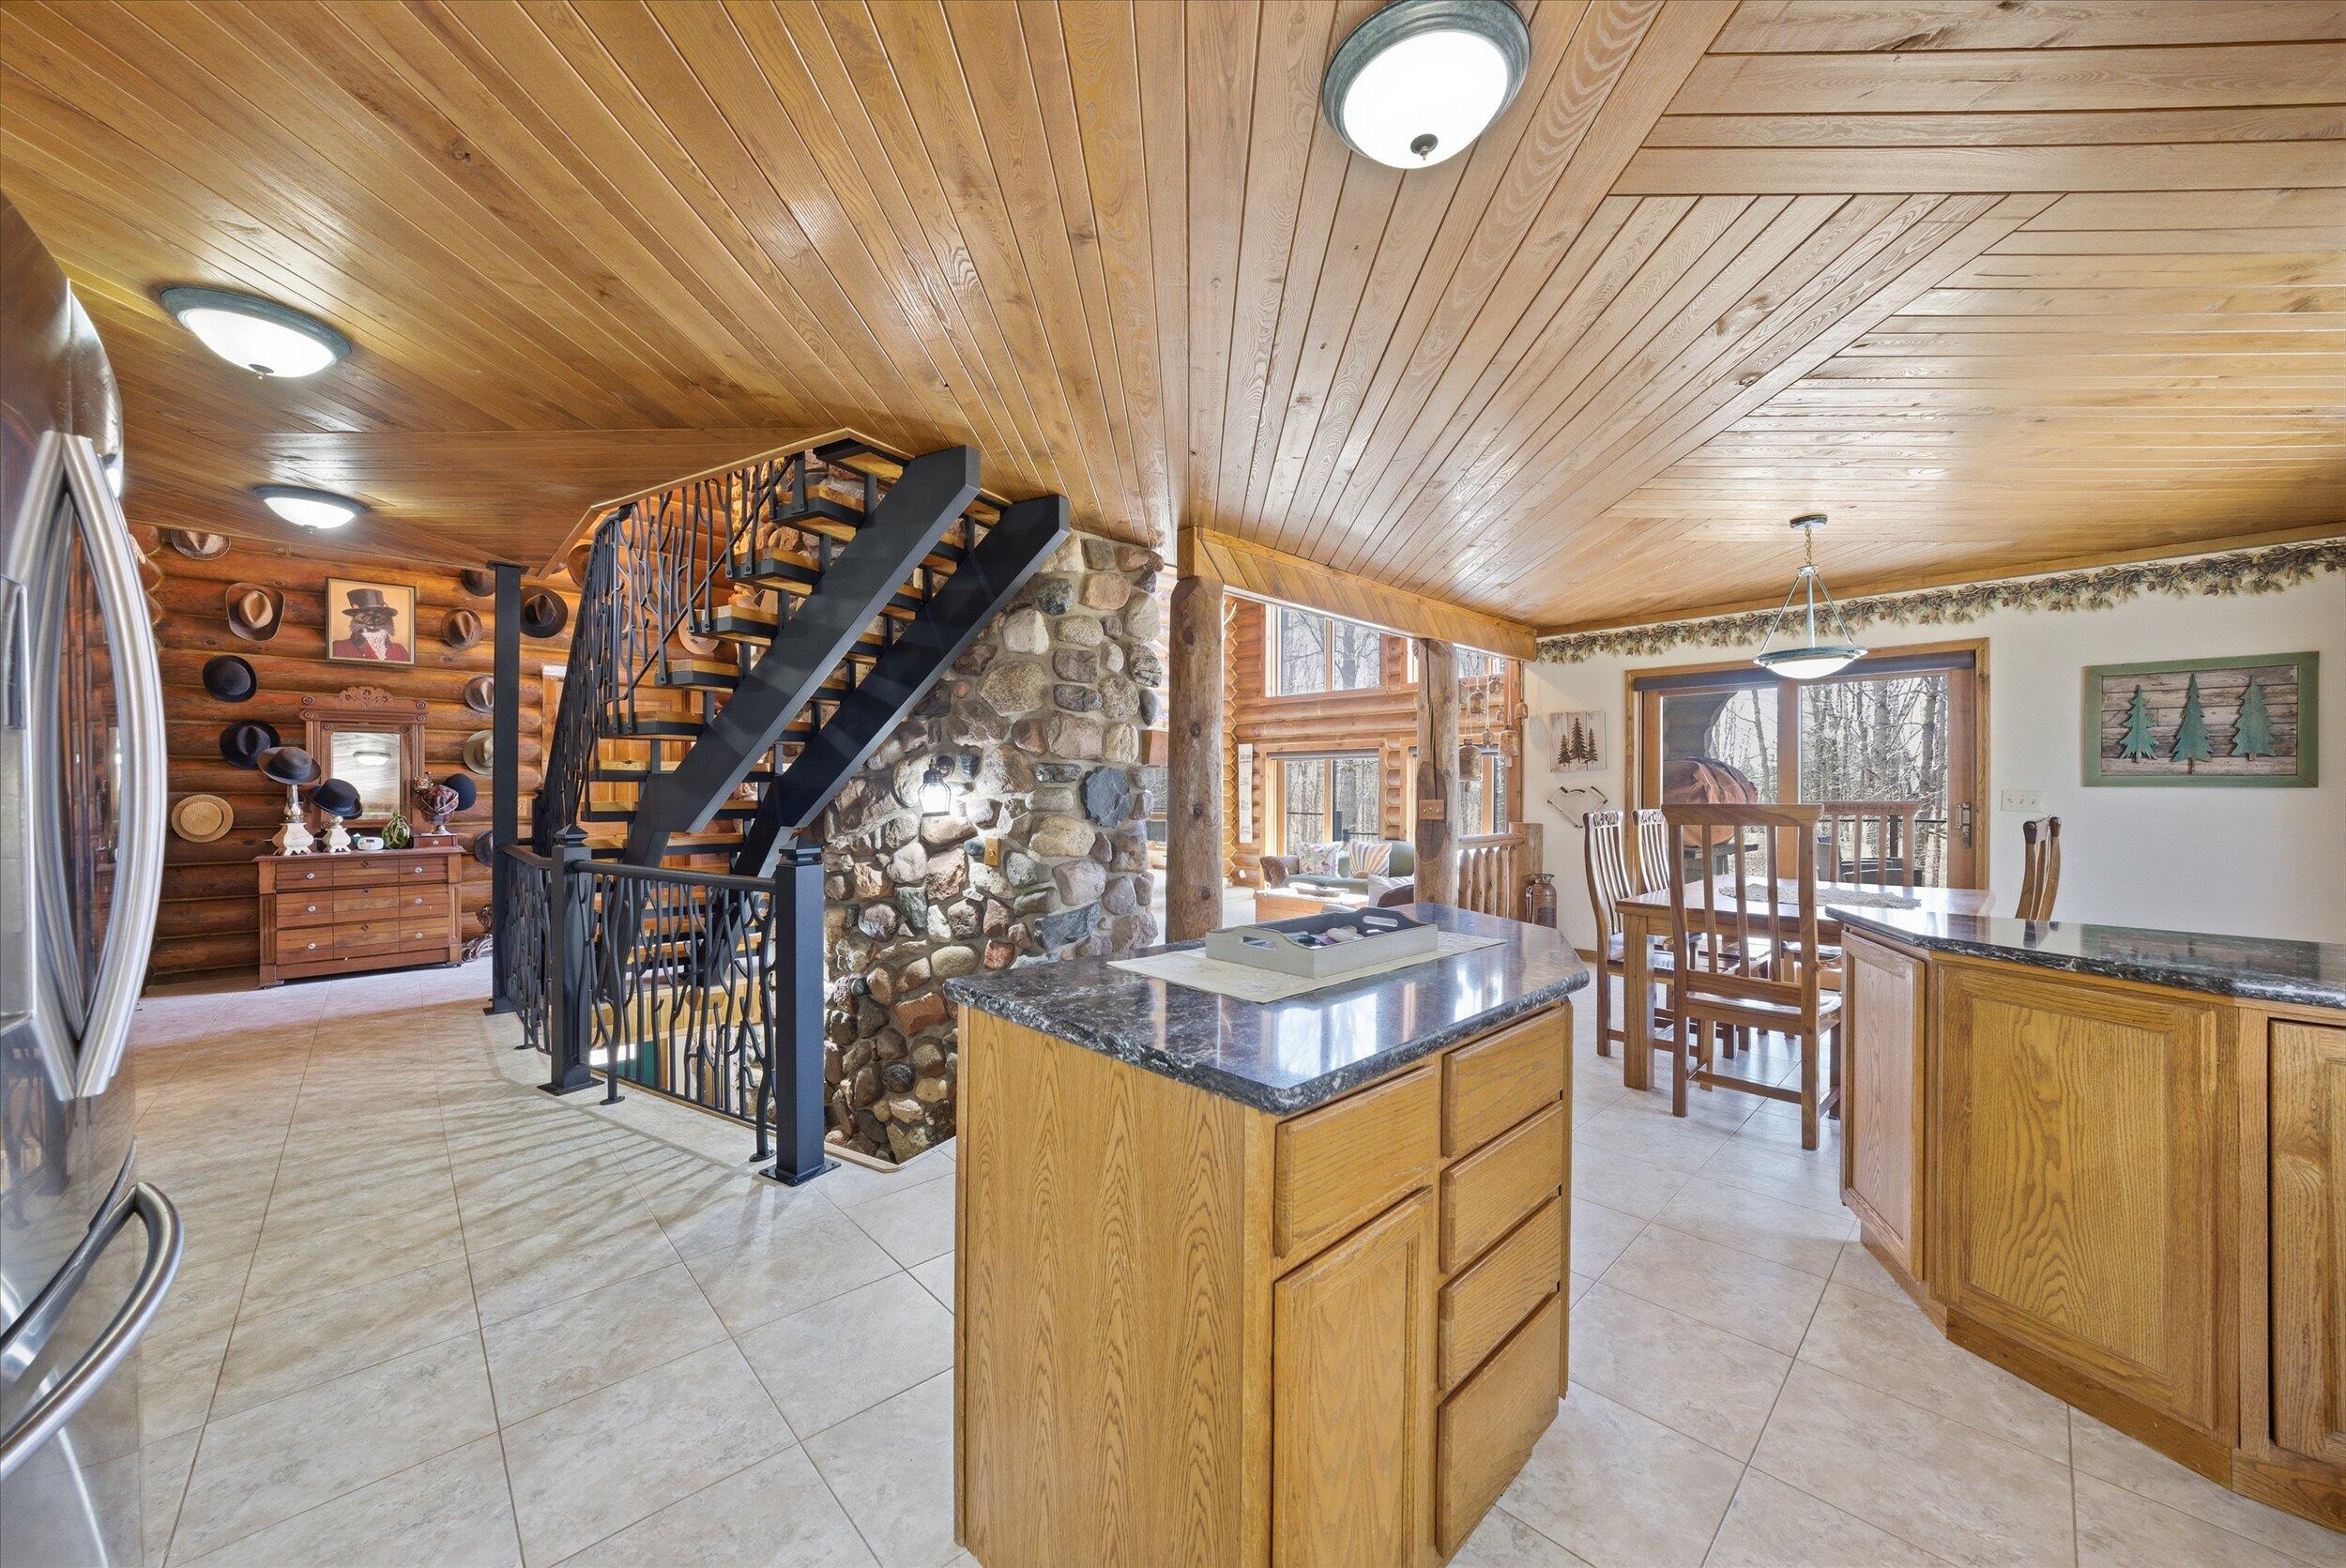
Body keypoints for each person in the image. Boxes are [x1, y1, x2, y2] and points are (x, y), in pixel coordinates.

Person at [332, 586, 408, 662]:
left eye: (378, 618)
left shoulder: (400, 650)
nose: (372, 623)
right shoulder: (340, 647)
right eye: (365, 618)